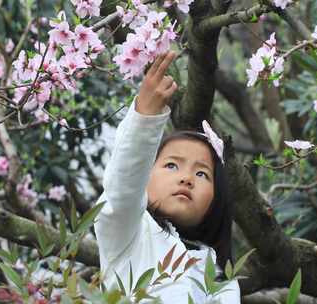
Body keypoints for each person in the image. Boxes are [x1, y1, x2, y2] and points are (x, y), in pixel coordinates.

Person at [94, 50, 240, 303]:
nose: (186, 178)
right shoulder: (130, 234)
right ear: (145, 178)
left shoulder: (222, 280)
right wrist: (145, 118)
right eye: (172, 166)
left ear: (217, 198)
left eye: (202, 173)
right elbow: (122, 191)